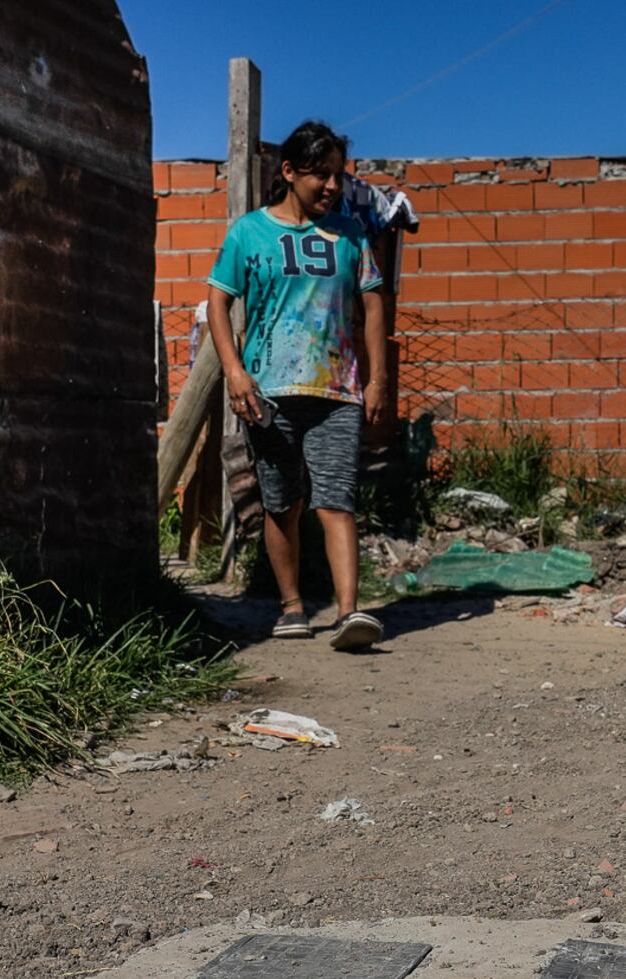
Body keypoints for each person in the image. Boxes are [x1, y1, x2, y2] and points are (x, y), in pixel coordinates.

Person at [205, 120, 389, 650]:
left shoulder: (352, 234)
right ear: (289, 172)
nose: (332, 186)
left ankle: (350, 613)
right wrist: (235, 371)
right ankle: (291, 606)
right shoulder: (249, 233)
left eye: (338, 176)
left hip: (336, 391)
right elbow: (218, 302)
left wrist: (376, 380)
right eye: (320, 176)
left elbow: (372, 304)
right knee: (281, 503)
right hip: (268, 392)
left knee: (337, 500)